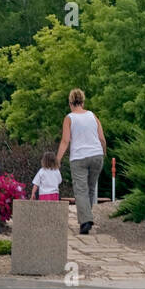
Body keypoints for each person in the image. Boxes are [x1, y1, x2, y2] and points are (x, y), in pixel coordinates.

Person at [55, 88, 106, 235]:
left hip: (79, 157)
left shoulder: (69, 118)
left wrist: (58, 159)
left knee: (81, 190)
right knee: (90, 188)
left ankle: (85, 221)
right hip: (96, 156)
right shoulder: (92, 116)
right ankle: (87, 218)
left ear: (70, 103)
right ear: (82, 102)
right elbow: (102, 138)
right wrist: (104, 151)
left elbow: (65, 141)